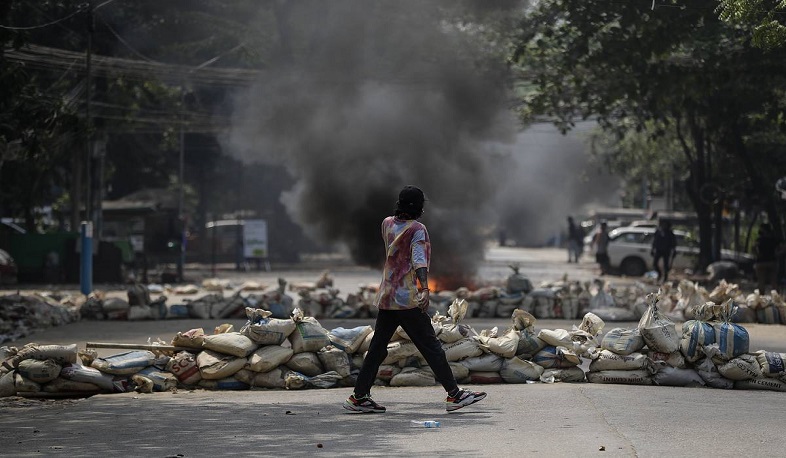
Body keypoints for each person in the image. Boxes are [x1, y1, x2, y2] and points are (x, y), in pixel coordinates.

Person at [343, 185, 486, 413]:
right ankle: (455, 395)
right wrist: (425, 289)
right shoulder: (418, 229)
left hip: (387, 296)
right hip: (406, 298)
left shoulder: (386, 223)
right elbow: (418, 260)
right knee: (430, 346)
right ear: (419, 207)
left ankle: (359, 397)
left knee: (378, 348)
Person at [754, 223, 781, 293]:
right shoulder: (774, 239)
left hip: (761, 262)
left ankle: (761, 300)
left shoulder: (759, 240)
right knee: (773, 282)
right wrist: (777, 254)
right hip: (772, 262)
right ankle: (778, 299)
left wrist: (757, 254)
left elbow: (754, 248)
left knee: (761, 282)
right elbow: (783, 248)